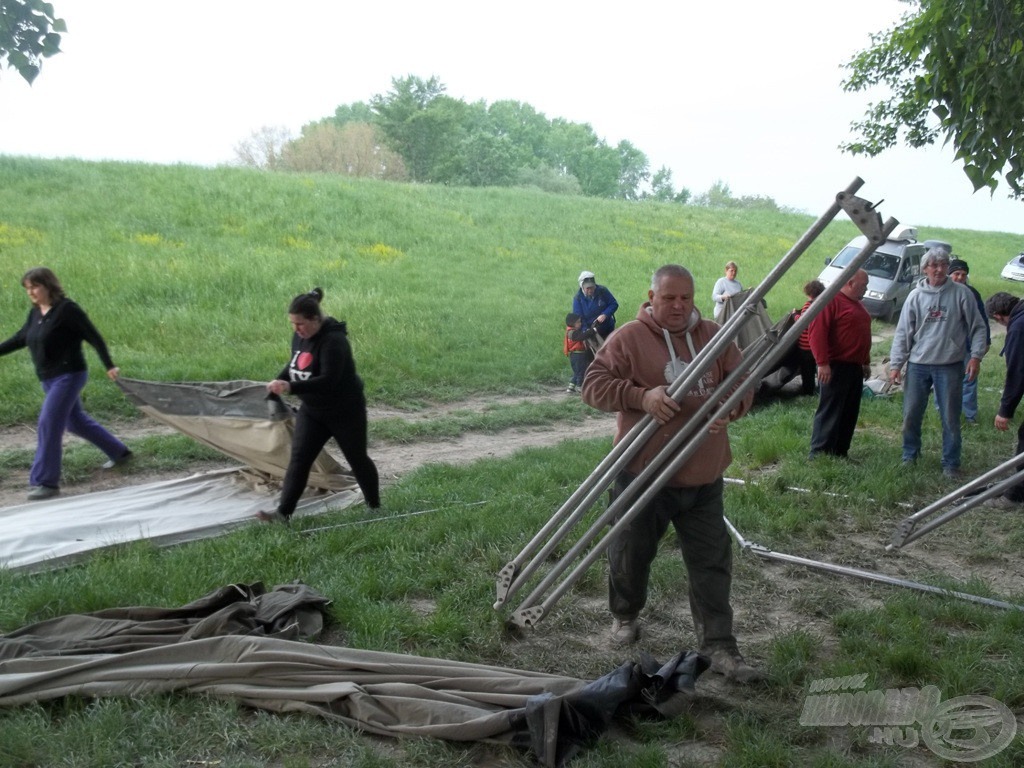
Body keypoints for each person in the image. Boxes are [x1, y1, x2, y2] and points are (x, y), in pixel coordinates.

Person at [581, 264, 761, 683]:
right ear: (652, 296)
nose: (679, 306)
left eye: (686, 297)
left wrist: (732, 405)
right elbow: (593, 384)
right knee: (630, 552)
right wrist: (641, 397)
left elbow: (744, 382)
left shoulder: (714, 336)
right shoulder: (628, 337)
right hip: (644, 472)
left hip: (702, 476)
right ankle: (625, 617)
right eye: (669, 298)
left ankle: (719, 645)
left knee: (712, 563)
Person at [0, 267, 131, 501]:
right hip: (48, 378)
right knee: (75, 421)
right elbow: (21, 338)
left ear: (48, 286)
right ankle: (119, 452)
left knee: (48, 423)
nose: (31, 292)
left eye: (35, 287)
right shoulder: (36, 314)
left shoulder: (67, 310)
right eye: (27, 288)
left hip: (69, 376)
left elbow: (94, 336)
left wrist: (109, 365)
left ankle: (46, 482)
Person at [256, 288, 380, 523]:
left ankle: (374, 507)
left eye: (300, 324)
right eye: (293, 324)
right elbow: (294, 364)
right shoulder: (300, 336)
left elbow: (328, 380)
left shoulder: (334, 341)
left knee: (357, 458)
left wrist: (290, 388)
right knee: (300, 459)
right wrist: (277, 383)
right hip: (313, 411)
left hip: (345, 411)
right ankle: (283, 514)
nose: (296, 330)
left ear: (315, 319)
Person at [888, 246, 989, 478]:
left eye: (943, 265)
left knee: (951, 417)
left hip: (951, 365)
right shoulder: (915, 296)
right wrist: (896, 365)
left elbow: (978, 327)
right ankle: (909, 456)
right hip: (918, 366)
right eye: (934, 265)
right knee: (911, 414)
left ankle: (951, 463)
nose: (939, 269)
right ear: (925, 269)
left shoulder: (962, 294)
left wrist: (975, 357)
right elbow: (903, 333)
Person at [807, 270, 872, 459]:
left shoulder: (857, 304)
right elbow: (817, 333)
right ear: (850, 283)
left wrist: (865, 361)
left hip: (854, 366)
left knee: (849, 411)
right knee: (831, 409)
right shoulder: (831, 301)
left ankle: (840, 451)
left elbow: (860, 334)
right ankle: (819, 453)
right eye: (863, 285)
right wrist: (822, 363)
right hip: (836, 365)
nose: (866, 289)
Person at [983, 292, 1024, 508]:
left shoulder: (1018, 328)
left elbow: (1017, 372)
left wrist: (1005, 411)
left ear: (999, 317)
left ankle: (1014, 496)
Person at [948, 259, 991, 425]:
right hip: (946, 348)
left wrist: (985, 342)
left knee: (970, 380)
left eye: (963, 275)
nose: (960, 277)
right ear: (949, 274)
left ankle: (969, 416)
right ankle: (942, 412)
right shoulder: (942, 292)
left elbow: (983, 321)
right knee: (944, 381)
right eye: (956, 274)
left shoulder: (973, 293)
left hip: (968, 346)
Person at [573, 271, 618, 341]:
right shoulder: (578, 299)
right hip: (592, 332)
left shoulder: (602, 291)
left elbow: (614, 304)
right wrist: (587, 331)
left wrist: (605, 314)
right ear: (582, 287)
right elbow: (579, 318)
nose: (590, 290)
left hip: (608, 327)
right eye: (588, 288)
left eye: (592, 287)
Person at [563, 312, 597, 393]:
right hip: (578, 355)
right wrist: (592, 331)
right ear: (572, 323)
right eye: (578, 322)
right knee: (581, 371)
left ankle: (571, 387)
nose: (580, 323)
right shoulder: (573, 333)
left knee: (577, 372)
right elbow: (582, 336)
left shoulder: (571, 331)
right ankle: (580, 387)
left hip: (575, 355)